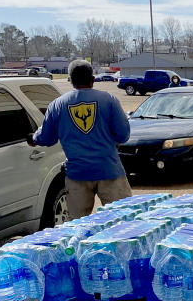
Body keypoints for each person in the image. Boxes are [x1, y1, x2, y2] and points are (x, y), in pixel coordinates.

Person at [29, 59, 132, 219]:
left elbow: (47, 138)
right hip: (109, 171)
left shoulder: (57, 105)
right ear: (92, 79)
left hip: (77, 175)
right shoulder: (109, 100)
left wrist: (34, 138)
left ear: (70, 80)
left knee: (78, 227)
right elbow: (123, 135)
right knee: (123, 222)